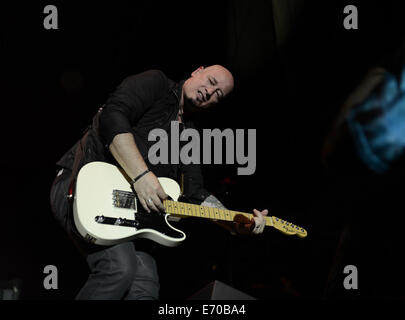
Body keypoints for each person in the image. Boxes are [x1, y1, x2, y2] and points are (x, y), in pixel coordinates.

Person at [50, 65, 268, 300]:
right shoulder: (157, 84)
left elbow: (195, 193)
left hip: (128, 214)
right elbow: (112, 116)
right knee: (118, 268)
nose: (210, 91)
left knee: (145, 286)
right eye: (211, 81)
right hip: (82, 184)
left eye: (219, 94)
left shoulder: (189, 136)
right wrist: (142, 176)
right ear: (198, 71)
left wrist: (234, 222)